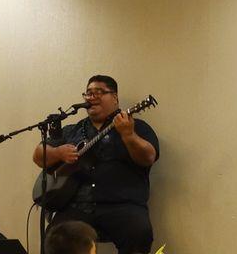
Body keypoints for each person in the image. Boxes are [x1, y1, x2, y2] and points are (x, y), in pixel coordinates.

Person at [33, 75, 159, 254]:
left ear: (115, 98)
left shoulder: (135, 126)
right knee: (55, 236)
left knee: (140, 232)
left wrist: (128, 136)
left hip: (122, 205)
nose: (92, 97)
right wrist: (58, 152)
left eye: (99, 92)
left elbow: (148, 157)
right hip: (77, 206)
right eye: (89, 93)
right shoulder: (73, 130)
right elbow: (39, 156)